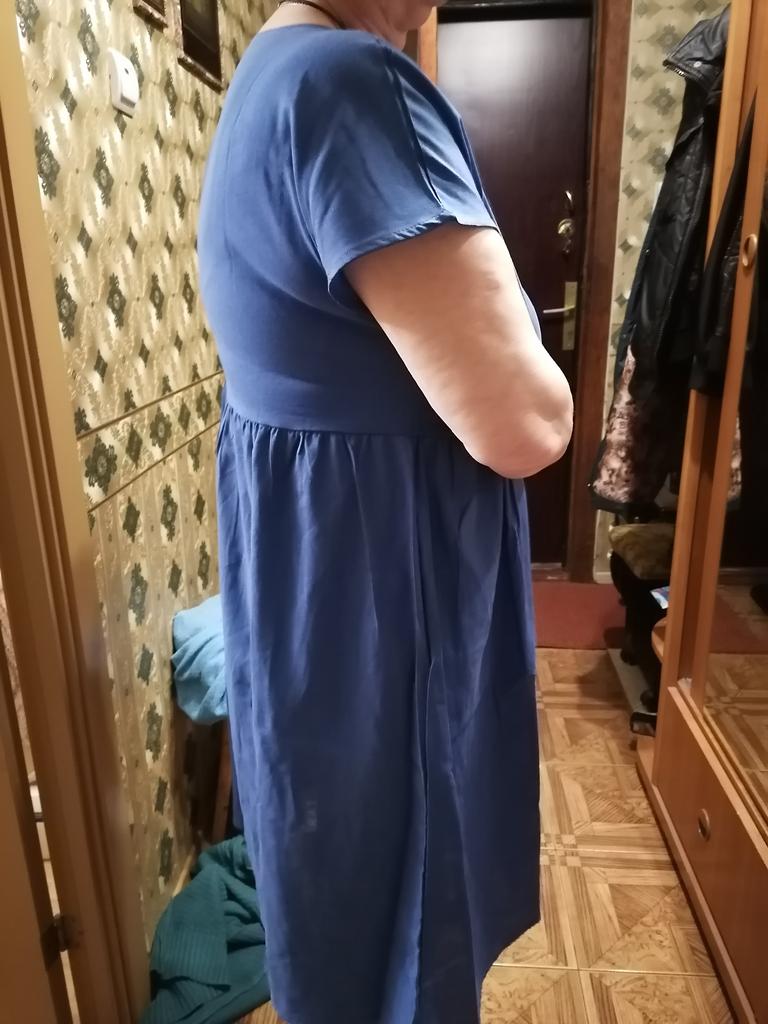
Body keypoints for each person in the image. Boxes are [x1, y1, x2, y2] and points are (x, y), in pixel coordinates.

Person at [197, 0, 573, 1020]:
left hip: (312, 577)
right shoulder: (353, 86)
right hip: (382, 596)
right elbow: (529, 423)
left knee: (336, 888)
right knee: (406, 906)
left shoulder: (264, 78)